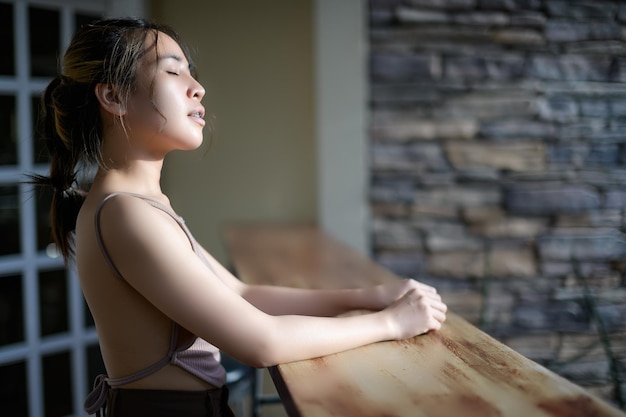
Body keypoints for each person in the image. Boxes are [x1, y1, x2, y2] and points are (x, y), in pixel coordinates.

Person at [31, 17, 447, 417]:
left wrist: (367, 298)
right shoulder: (123, 212)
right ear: (114, 97)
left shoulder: (138, 204)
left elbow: (242, 294)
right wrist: (392, 322)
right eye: (174, 72)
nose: (198, 88)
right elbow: (260, 342)